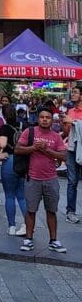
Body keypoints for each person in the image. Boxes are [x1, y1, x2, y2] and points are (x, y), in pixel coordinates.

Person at [16, 107, 68, 253]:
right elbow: (18, 149)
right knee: (31, 210)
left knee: (51, 211)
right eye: (42, 117)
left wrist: (47, 150)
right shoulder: (29, 132)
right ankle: (28, 239)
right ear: (37, 119)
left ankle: (53, 240)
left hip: (51, 179)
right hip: (32, 178)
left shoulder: (56, 136)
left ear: (52, 120)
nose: (45, 119)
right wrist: (33, 148)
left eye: (48, 117)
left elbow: (63, 156)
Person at [0, 104, 27, 236]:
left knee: (9, 195)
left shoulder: (4, 128)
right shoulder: (23, 125)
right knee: (22, 195)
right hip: (22, 160)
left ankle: (12, 226)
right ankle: (27, 224)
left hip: (9, 161)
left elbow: (2, 144)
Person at [63, 85, 82, 224]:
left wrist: (74, 122)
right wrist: (64, 124)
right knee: (72, 181)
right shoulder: (70, 110)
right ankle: (70, 211)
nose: (72, 95)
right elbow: (66, 131)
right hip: (71, 148)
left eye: (75, 92)